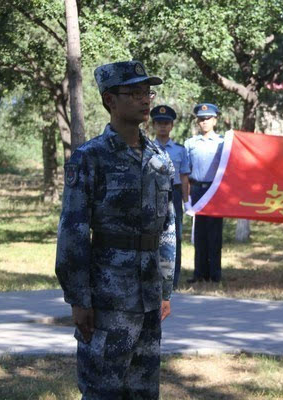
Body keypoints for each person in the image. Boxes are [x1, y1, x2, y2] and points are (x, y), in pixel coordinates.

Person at [55, 60, 176, 399]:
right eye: (134, 93)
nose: (145, 100)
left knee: (143, 389)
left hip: (149, 293)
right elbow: (73, 231)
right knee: (102, 388)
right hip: (107, 295)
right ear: (110, 99)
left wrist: (166, 288)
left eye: (147, 92)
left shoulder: (158, 159)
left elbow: (167, 228)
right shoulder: (89, 157)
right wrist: (78, 298)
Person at [151, 105, 191, 289]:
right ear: (153, 125)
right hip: (152, 193)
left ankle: (173, 280)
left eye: (166, 123)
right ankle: (154, 278)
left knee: (175, 237)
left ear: (172, 125)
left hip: (173, 194)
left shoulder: (180, 150)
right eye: (159, 123)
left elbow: (184, 177)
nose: (162, 127)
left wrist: (186, 201)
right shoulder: (148, 148)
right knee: (154, 235)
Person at [184, 103, 224, 283]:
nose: (204, 122)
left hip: (215, 190)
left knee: (214, 234)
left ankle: (215, 274)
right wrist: (187, 198)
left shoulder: (223, 143)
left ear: (215, 120)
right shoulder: (190, 143)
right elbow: (185, 171)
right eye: (201, 119)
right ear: (197, 122)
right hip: (197, 189)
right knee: (199, 234)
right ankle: (199, 274)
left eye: (208, 119)